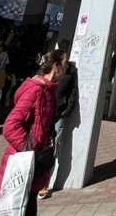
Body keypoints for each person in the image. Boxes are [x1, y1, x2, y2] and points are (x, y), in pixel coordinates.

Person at [0, 49, 67, 216]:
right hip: (24, 162)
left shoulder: (48, 90)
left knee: (28, 205)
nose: (66, 69)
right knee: (20, 207)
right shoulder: (36, 90)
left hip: (33, 162)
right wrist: (31, 146)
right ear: (56, 66)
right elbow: (11, 125)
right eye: (64, 64)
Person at [38, 41, 79, 199]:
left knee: (54, 149)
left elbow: (73, 91)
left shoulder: (71, 70)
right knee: (39, 147)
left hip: (59, 114)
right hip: (43, 116)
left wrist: (67, 111)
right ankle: (35, 181)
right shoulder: (44, 72)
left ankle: (44, 183)